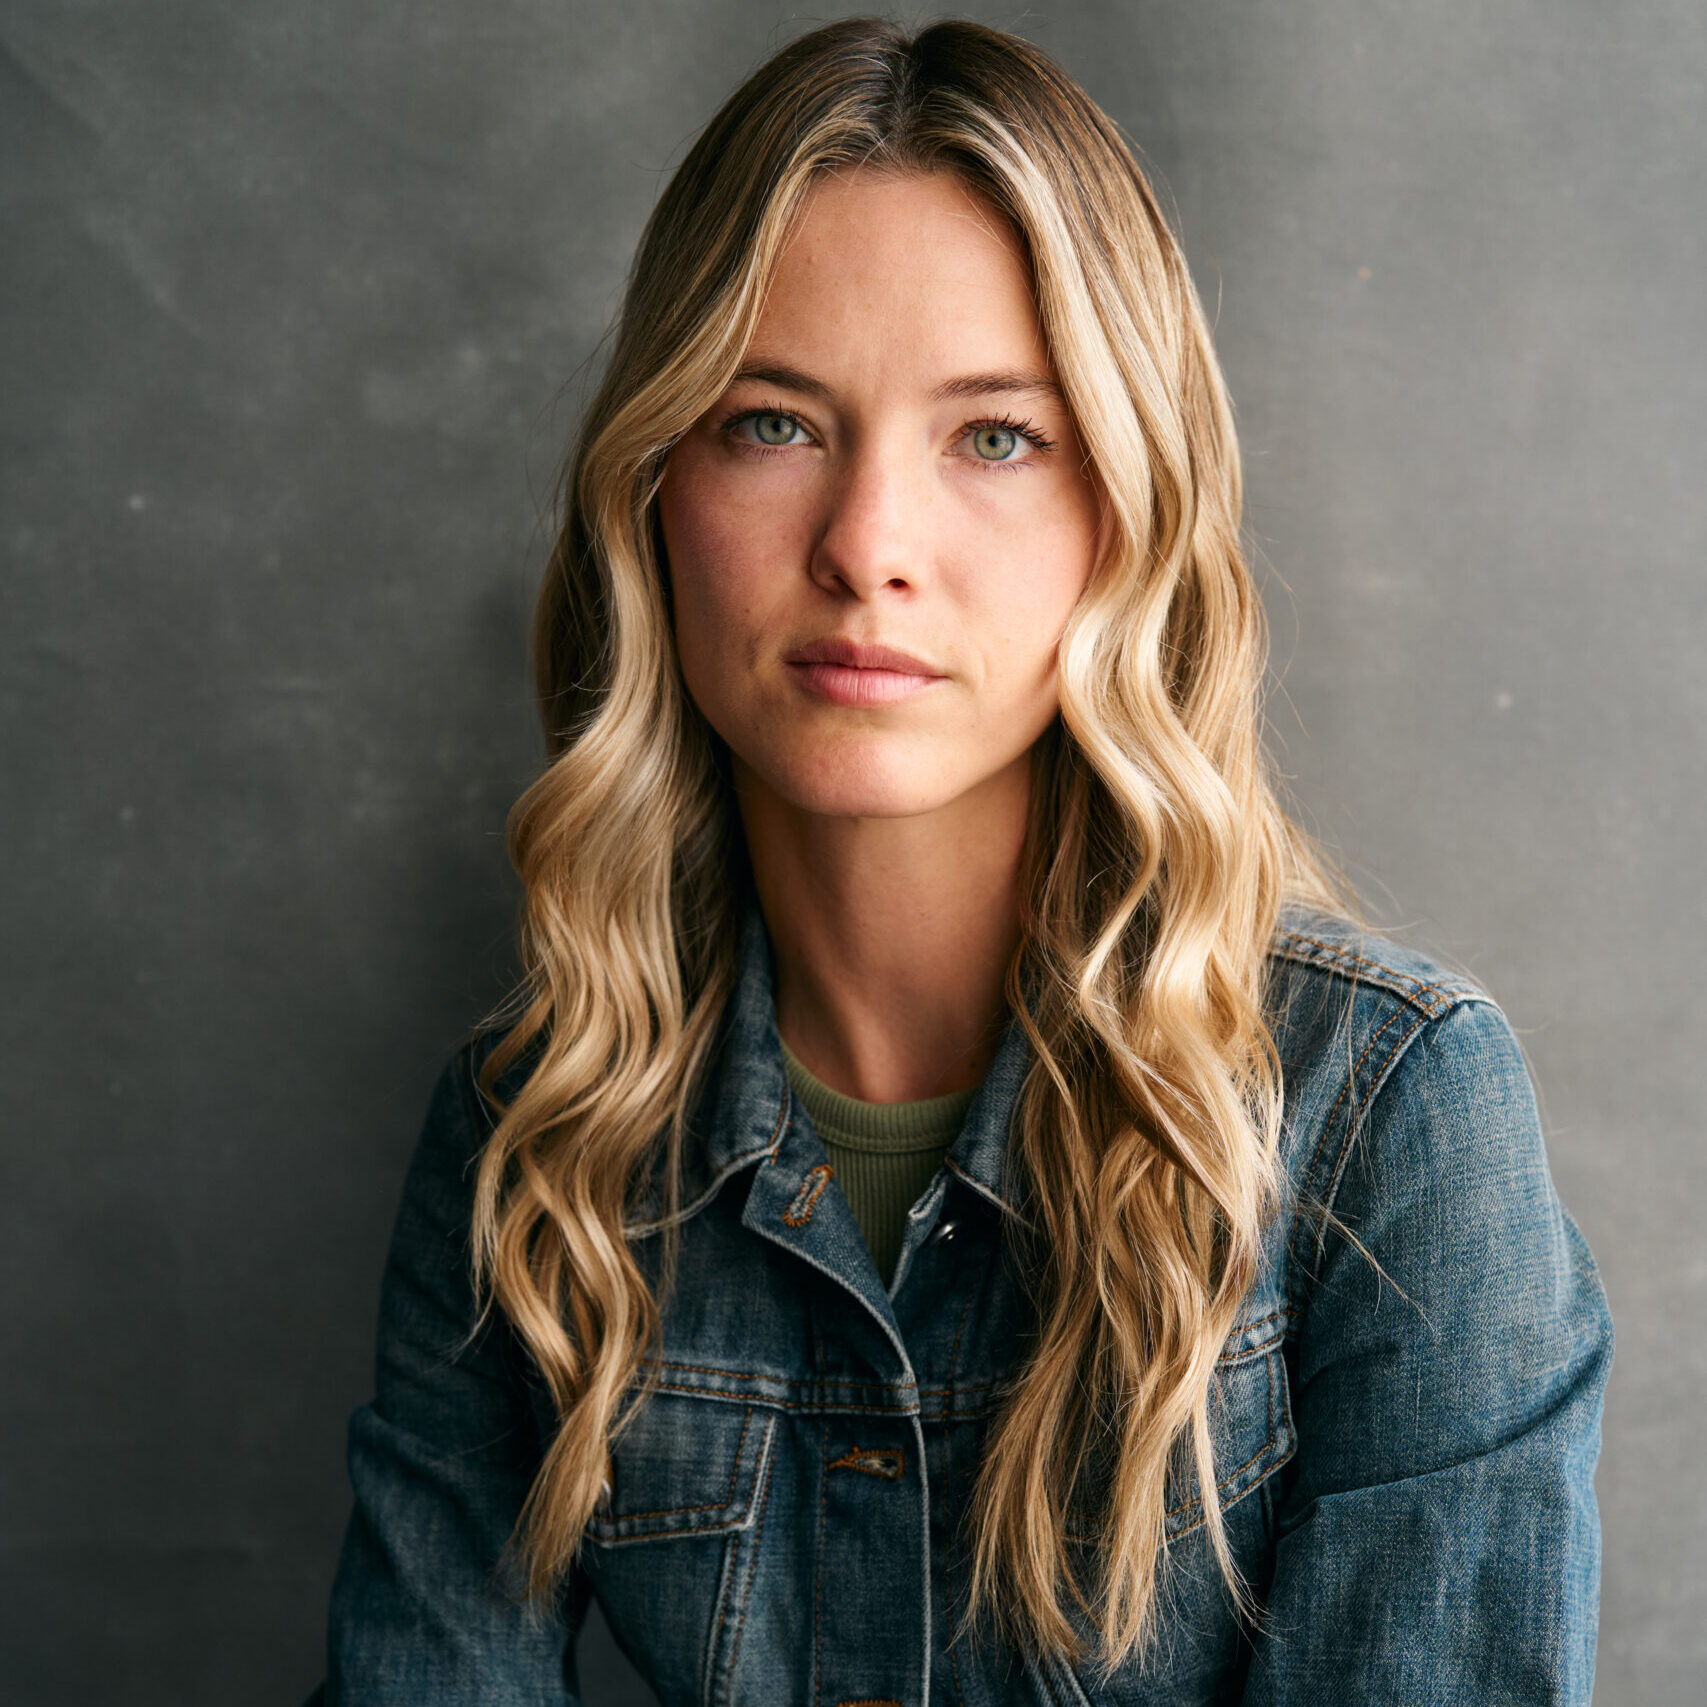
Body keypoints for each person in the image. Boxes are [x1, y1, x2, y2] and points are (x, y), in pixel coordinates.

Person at [315, 17, 1611, 1704]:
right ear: (652, 490)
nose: (868, 547)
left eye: (996, 437)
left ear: (1126, 514)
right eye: (771, 423)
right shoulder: (539, 1132)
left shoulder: (1389, 1119)